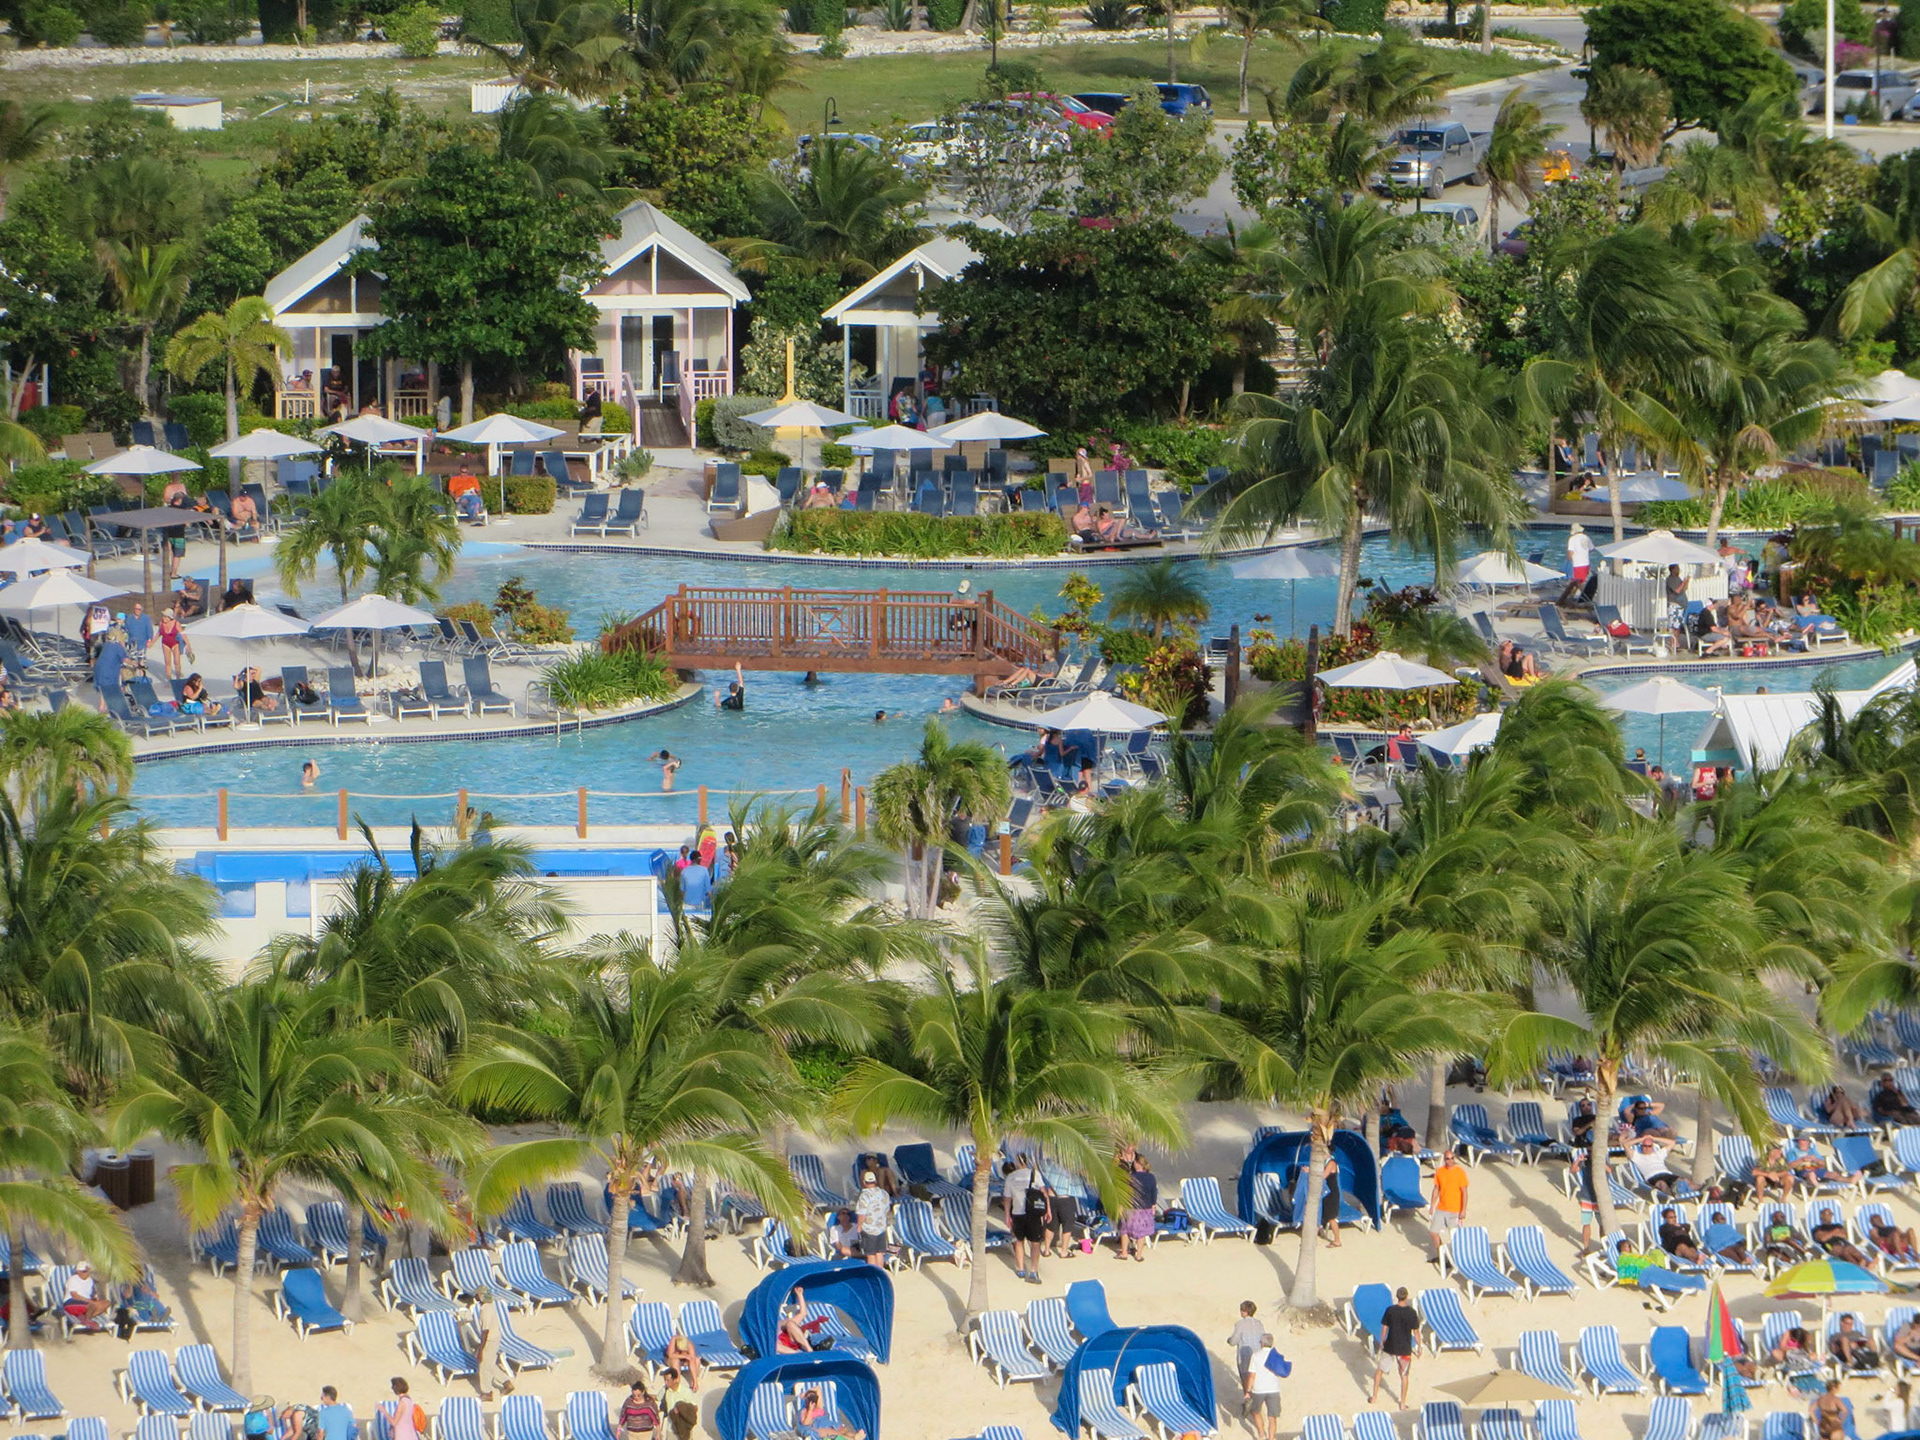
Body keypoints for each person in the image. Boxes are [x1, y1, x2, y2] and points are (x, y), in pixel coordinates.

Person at [1370, 1287, 1420, 1409]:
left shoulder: (1390, 1310)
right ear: (1407, 1297)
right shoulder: (1411, 1313)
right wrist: (1419, 1347)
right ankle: (1402, 1403)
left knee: (1379, 1371)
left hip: (1390, 1346)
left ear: (1397, 1297)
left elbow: (1384, 1328)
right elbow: (1416, 1332)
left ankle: (1374, 1397)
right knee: (1404, 1376)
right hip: (1404, 1348)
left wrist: (1382, 1341)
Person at [1003, 1155, 1049, 1284]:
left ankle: (1021, 1268)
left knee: (1019, 1241)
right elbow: (1044, 1194)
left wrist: (1007, 1215)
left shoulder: (1011, 1177)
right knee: (1035, 1242)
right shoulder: (1034, 1174)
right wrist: (1048, 1210)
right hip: (1033, 1212)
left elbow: (1007, 1198)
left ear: (1017, 1163)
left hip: (1017, 1212)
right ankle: (1033, 1271)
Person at [471, 1291, 513, 1400]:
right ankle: (506, 1383)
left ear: (481, 1297)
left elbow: (485, 1331)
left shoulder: (485, 1310)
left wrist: (481, 1349)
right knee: (489, 1363)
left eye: (477, 1295)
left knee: (484, 1366)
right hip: (494, 1337)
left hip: (490, 1340)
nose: (475, 1296)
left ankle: (487, 1392)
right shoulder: (490, 1306)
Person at [1116, 1152, 1157, 1261]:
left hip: (1131, 1207)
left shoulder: (1130, 1176)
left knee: (1125, 1230)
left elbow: (1125, 1192)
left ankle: (1124, 1253)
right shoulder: (1151, 1177)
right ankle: (1139, 1255)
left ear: (1138, 1163)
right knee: (1141, 1233)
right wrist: (1153, 1205)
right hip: (1145, 1207)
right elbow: (1154, 1192)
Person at [1244, 1331, 1284, 1440]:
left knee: (1256, 1411)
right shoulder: (1276, 1356)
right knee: (1272, 1417)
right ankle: (1271, 1438)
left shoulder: (1256, 1356)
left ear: (1262, 1343)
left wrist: (1248, 1391)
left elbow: (1251, 1376)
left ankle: (1262, 1434)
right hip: (1273, 1389)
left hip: (1258, 1389)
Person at [1428, 1153, 1467, 1263]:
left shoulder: (1460, 1172)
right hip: (1441, 1208)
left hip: (1455, 1209)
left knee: (1455, 1235)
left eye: (1452, 1158)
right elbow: (1436, 1189)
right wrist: (1432, 1205)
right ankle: (1441, 1255)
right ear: (1444, 1160)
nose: (1450, 1161)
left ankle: (1458, 1258)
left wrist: (1463, 1210)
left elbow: (1464, 1192)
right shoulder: (1440, 1172)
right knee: (1433, 1232)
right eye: (1447, 1159)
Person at [853, 1169, 890, 1268]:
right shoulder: (884, 1193)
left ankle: (873, 1272)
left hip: (869, 1229)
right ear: (875, 1181)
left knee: (871, 1254)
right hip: (881, 1227)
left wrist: (859, 1226)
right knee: (880, 1253)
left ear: (864, 1182)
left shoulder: (864, 1196)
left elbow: (862, 1213)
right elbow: (887, 1209)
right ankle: (880, 1271)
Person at [795, 1388, 863, 1440]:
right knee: (835, 1433)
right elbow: (805, 1424)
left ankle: (855, 1436)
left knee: (844, 1430)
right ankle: (854, 1438)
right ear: (806, 1401)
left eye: (814, 1398)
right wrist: (810, 1410)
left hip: (829, 1423)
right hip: (819, 1427)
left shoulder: (819, 1406)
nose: (813, 1400)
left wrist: (806, 1393)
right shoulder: (804, 1410)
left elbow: (818, 1388)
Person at [1228, 1301, 1264, 1390]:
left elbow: (1233, 1341)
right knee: (1257, 1381)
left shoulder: (1240, 1324)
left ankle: (1247, 1395)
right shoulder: (1259, 1324)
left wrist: (1229, 1340)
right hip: (1258, 1355)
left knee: (1246, 1382)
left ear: (1245, 1312)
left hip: (1245, 1357)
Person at [63, 1261, 110, 1328]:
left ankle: (85, 1318)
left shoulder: (90, 1280)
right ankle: (88, 1320)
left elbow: (90, 1295)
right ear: (78, 1272)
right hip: (70, 1302)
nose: (87, 1273)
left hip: (86, 1304)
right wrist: (91, 1302)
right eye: (84, 1271)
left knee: (107, 1303)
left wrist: (94, 1300)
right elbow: (75, 1296)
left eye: (87, 1271)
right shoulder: (73, 1279)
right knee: (93, 1305)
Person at [1558, 523, 1592, 605]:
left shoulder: (1572, 539)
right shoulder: (1586, 537)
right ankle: (1570, 597)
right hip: (1586, 563)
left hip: (1577, 564)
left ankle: (1587, 598)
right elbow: (1591, 549)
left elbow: (1571, 552)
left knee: (1578, 582)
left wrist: (1568, 560)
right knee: (1577, 581)